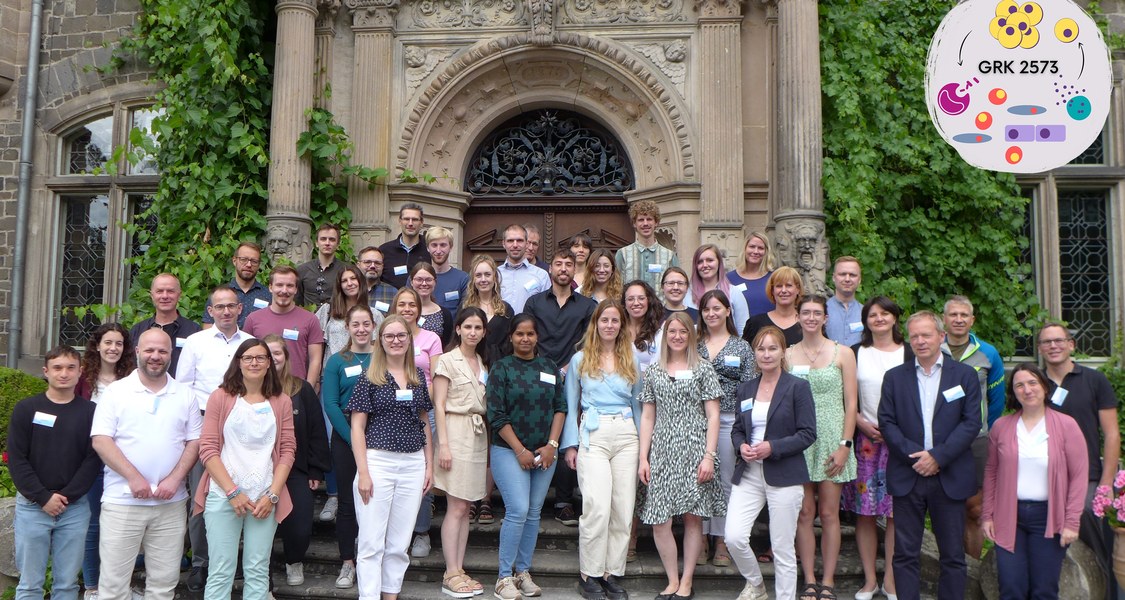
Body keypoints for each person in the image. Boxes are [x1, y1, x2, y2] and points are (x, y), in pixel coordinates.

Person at [91, 329, 202, 600]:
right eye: (149, 350)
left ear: (171, 355)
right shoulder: (117, 392)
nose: (156, 356)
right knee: (113, 587)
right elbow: (101, 440)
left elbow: (195, 442)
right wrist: (133, 477)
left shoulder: (185, 394)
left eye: (162, 351)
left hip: (171, 504)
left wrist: (175, 479)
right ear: (137, 352)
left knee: (163, 586)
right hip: (123, 502)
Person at [878, 311, 981, 600]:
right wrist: (918, 457)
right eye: (914, 336)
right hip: (908, 474)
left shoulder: (964, 375)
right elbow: (886, 422)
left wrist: (937, 457)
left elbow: (971, 422)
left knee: (952, 555)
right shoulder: (895, 377)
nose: (920, 341)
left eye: (926, 335)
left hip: (949, 475)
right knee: (905, 554)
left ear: (941, 337)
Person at [194, 339, 296, 600]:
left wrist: (273, 494)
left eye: (261, 357)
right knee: (220, 570)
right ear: (238, 362)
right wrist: (232, 491)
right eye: (248, 357)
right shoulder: (220, 397)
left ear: (269, 364)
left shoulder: (281, 401)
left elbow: (287, 450)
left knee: (258, 570)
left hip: (265, 497)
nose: (254, 362)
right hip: (224, 494)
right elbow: (208, 448)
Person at [638, 312, 726, 600]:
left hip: (694, 448)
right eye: (672, 331)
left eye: (683, 331)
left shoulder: (703, 369)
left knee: (692, 518)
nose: (677, 336)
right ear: (666, 335)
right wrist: (643, 457)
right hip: (662, 449)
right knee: (659, 519)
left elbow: (714, 416)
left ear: (691, 335)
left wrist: (709, 456)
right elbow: (648, 416)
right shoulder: (653, 371)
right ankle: (672, 579)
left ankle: (687, 580)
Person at [724, 326, 816, 600]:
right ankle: (756, 585)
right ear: (754, 353)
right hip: (749, 473)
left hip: (784, 474)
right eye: (761, 349)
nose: (766, 354)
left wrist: (772, 447)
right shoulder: (746, 388)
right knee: (734, 537)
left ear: (783, 351)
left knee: (783, 546)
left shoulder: (797, 387)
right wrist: (741, 445)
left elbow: (808, 433)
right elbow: (738, 429)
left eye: (772, 348)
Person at [982, 363, 1087, 600]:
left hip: (1049, 517)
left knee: (1044, 590)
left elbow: (1079, 476)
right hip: (1009, 515)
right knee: (1010, 588)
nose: (1027, 390)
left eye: (1032, 383)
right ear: (1014, 393)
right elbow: (991, 473)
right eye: (1019, 385)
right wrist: (987, 515)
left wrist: (1072, 521)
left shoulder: (1066, 425)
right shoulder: (1001, 426)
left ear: (1044, 387)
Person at [348, 315, 434, 600]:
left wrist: (428, 465)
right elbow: (357, 428)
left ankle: (390, 595)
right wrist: (363, 472)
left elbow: (424, 423)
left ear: (409, 340)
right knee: (372, 542)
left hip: (412, 464)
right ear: (380, 341)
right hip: (378, 463)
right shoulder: (369, 377)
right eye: (389, 336)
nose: (395, 341)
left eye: (401, 336)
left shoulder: (418, 377)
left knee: (399, 543)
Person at [176, 286, 256, 592]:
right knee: (202, 495)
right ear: (210, 311)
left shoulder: (250, 343)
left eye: (231, 306)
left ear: (239, 309)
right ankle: (201, 562)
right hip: (202, 426)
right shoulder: (196, 342)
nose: (225, 311)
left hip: (242, 428)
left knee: (242, 489)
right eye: (219, 307)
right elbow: (183, 390)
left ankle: (234, 559)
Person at [562, 300, 643, 600]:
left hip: (626, 435)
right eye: (604, 320)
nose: (609, 325)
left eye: (615, 320)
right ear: (595, 324)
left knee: (622, 508)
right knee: (596, 506)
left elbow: (639, 406)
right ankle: (589, 574)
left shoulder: (631, 360)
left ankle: (611, 573)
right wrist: (571, 444)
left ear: (622, 325)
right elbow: (570, 405)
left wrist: (644, 450)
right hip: (593, 433)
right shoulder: (580, 360)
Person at [9, 346, 100, 600]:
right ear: (46, 371)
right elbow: (17, 459)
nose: (64, 374)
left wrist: (65, 497)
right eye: (57, 368)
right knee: (29, 585)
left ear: (80, 372)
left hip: (74, 509)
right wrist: (43, 497)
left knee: (67, 585)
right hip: (32, 507)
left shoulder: (91, 413)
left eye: (71, 367)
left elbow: (92, 460)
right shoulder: (26, 409)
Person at [1038, 321, 1121, 600]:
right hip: (1044, 478)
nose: (1053, 346)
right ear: (1040, 349)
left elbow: (1111, 434)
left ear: (1071, 344)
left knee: (1100, 545)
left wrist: (1106, 484)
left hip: (1087, 478)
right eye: (1047, 342)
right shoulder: (1033, 384)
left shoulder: (1094, 380)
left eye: (1059, 340)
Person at [487, 314, 567, 600]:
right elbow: (496, 414)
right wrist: (520, 450)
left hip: (545, 451)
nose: (525, 339)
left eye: (530, 334)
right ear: (511, 336)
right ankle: (503, 577)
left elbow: (561, 406)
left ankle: (523, 572)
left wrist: (552, 444)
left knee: (533, 513)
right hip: (509, 450)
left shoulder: (549, 367)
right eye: (519, 334)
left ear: (537, 337)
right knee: (518, 510)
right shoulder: (501, 368)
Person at [786, 294, 857, 600]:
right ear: (798, 317)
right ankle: (810, 579)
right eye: (806, 313)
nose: (812, 318)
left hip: (831, 438)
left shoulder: (843, 353)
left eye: (817, 313)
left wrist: (845, 445)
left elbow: (852, 403)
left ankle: (828, 579)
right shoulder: (787, 355)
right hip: (799, 440)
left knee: (829, 513)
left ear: (825, 318)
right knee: (804, 512)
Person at [842, 296, 912, 600]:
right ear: (866, 320)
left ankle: (892, 581)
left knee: (897, 513)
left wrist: (896, 431)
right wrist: (858, 422)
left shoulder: (909, 352)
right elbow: (845, 396)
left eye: (885, 314)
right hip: (865, 441)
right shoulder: (856, 352)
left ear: (895, 318)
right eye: (873, 315)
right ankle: (870, 580)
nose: (879, 319)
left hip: (901, 442)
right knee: (866, 512)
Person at [524, 248, 597, 526]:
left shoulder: (587, 305)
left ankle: (564, 500)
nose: (563, 268)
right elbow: (528, 335)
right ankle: (533, 498)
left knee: (569, 435)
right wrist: (544, 366)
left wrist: (567, 367)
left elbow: (590, 340)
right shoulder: (534, 302)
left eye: (568, 264)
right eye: (558, 263)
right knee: (538, 430)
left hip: (573, 375)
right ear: (550, 269)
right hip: (536, 373)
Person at [941, 295, 1006, 560]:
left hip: (976, 440)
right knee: (942, 506)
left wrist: (976, 427)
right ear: (944, 319)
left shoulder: (988, 353)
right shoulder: (930, 347)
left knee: (975, 509)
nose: (958, 320)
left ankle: (972, 570)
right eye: (953, 315)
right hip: (939, 439)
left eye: (964, 315)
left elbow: (997, 400)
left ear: (972, 320)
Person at [263, 334, 331, 587]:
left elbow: (316, 430)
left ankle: (294, 561)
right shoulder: (251, 391)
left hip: (296, 469)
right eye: (266, 354)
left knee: (300, 526)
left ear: (286, 357)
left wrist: (316, 469)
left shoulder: (302, 390)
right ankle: (263, 575)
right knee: (261, 527)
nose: (272, 359)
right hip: (259, 471)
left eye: (277, 353)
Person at [433, 308, 491, 598]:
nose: (472, 332)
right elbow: (439, 405)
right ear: (457, 329)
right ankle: (450, 571)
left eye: (478, 327)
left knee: (466, 508)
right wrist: (443, 444)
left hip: (477, 435)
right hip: (454, 432)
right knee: (455, 507)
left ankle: (459, 567)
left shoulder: (481, 361)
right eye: (467, 326)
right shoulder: (447, 360)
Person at [320, 305, 379, 589]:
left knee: (377, 500)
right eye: (355, 324)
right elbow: (330, 404)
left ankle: (374, 561)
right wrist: (352, 438)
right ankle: (347, 562)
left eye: (366, 323)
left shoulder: (383, 357)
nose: (361, 329)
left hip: (380, 435)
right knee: (347, 502)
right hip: (345, 436)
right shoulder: (337, 361)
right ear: (348, 328)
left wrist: (370, 439)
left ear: (373, 325)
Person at [76, 324, 136, 600]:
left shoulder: (132, 378)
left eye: (119, 344)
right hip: (91, 460)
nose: (113, 348)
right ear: (97, 345)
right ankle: (92, 586)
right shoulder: (83, 379)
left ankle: (118, 585)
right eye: (108, 342)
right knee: (93, 524)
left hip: (123, 460)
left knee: (125, 525)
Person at [696, 289, 756, 567]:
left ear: (728, 311)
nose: (712, 313)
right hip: (697, 420)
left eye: (717, 308)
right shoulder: (693, 345)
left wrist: (745, 426)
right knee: (699, 479)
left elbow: (749, 389)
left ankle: (721, 539)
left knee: (726, 481)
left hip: (730, 419)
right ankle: (699, 539)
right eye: (707, 309)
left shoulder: (741, 347)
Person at [387, 286, 443, 557]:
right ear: (394, 308)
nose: (407, 309)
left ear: (418, 310)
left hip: (422, 411)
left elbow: (434, 375)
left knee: (423, 470)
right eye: (402, 304)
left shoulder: (431, 338)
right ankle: (397, 534)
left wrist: (419, 403)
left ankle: (421, 532)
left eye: (411, 305)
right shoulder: (387, 336)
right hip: (389, 414)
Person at [244, 265, 326, 385]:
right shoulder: (253, 319)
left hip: (296, 390)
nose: (284, 290)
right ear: (270, 287)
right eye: (279, 285)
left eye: (290, 286)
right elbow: (246, 356)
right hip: (261, 389)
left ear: (296, 289)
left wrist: (308, 390)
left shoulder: (310, 320)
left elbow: (315, 360)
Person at [128, 273, 201, 374]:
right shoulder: (137, 330)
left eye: (170, 291)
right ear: (152, 296)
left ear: (179, 295)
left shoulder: (194, 331)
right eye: (159, 291)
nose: (165, 296)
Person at [614, 199, 680, 300]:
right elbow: (616, 287)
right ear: (634, 224)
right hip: (631, 312)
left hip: (661, 313)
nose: (645, 224)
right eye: (641, 220)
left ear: (656, 222)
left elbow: (677, 287)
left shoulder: (669, 256)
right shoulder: (622, 254)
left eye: (649, 219)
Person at [461, 254, 515, 366]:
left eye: (487, 274)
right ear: (473, 279)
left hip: (499, 367)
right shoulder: (465, 307)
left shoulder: (506, 310)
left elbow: (510, 344)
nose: (483, 279)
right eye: (478, 275)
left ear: (494, 277)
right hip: (470, 365)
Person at [202, 241, 271, 329]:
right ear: (234, 261)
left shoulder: (268, 295)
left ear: (259, 265)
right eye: (243, 259)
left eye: (254, 261)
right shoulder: (219, 294)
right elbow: (208, 328)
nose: (249, 265)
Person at [316, 265, 381, 357]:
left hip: (364, 367)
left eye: (353, 278)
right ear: (340, 286)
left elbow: (379, 347)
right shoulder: (327, 310)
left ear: (360, 282)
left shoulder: (375, 314)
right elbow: (315, 344)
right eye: (344, 281)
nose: (349, 283)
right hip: (333, 367)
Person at [687, 244, 749, 337]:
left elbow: (743, 330)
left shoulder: (734, 292)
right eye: (699, 262)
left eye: (710, 260)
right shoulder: (687, 294)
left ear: (719, 263)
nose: (704, 265)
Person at [742, 266, 803, 347]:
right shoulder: (755, 324)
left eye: (788, 285)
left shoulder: (807, 323)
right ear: (772, 290)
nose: (783, 290)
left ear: (798, 289)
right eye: (779, 286)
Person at [497, 223, 549, 313]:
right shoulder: (495, 274)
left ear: (526, 243)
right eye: (510, 241)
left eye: (520, 240)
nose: (515, 245)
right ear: (503, 244)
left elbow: (547, 309)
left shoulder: (541, 275)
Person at [378, 203, 432, 289]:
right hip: (390, 300)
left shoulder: (430, 249)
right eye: (406, 219)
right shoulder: (384, 250)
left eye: (415, 219)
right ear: (400, 221)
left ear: (421, 222)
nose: (410, 223)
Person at [297, 223, 352, 307]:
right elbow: (297, 301)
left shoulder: (346, 270)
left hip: (337, 318)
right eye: (323, 239)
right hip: (309, 318)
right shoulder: (302, 270)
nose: (327, 243)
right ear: (316, 243)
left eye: (332, 239)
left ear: (337, 244)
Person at [726, 232, 775, 317]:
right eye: (752, 247)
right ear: (745, 249)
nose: (756, 251)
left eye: (760, 248)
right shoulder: (729, 278)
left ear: (766, 252)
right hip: (739, 329)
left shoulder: (774, 278)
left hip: (769, 329)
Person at [622, 280, 664, 376]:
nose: (636, 303)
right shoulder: (617, 330)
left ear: (649, 301)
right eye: (630, 299)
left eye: (641, 298)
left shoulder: (659, 333)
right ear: (624, 303)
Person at [426, 226, 470, 314]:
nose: (438, 251)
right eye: (434, 245)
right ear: (428, 248)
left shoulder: (463, 279)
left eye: (443, 245)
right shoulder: (417, 278)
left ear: (451, 247)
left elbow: (465, 313)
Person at [409, 261, 455, 346]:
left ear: (435, 282)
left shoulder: (444, 314)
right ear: (412, 282)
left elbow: (447, 344)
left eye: (428, 280)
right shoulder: (404, 310)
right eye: (419, 279)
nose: (424, 283)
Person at [825, 257, 863, 347]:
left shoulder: (866, 312)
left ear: (859, 280)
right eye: (842, 274)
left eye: (852, 275)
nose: (847, 279)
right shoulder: (822, 311)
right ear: (834, 278)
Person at [358, 246, 398, 316]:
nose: (372, 266)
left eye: (377, 263)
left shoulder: (393, 293)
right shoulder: (350, 290)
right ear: (358, 265)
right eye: (367, 262)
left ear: (382, 266)